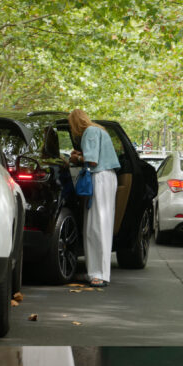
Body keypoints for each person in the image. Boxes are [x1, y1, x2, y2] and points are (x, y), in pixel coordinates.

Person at [67, 109, 120, 287]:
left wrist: (76, 157)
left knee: (96, 225)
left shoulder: (89, 132)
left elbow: (92, 161)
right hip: (107, 177)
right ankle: (96, 272)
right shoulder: (99, 130)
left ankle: (99, 274)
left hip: (100, 178)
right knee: (99, 224)